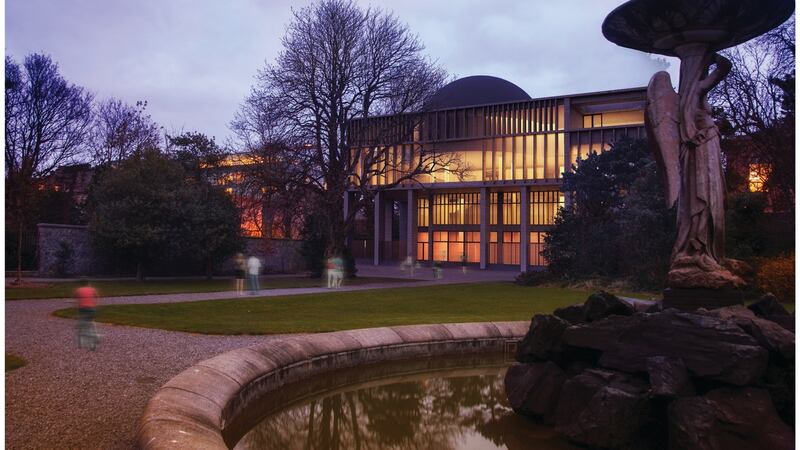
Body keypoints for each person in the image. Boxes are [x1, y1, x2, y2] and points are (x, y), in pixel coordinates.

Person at [74, 278, 99, 350]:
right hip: (92, 309)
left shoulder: (79, 290)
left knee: (82, 323)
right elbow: (97, 297)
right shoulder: (92, 289)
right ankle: (95, 336)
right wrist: (94, 304)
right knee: (91, 322)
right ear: (88, 283)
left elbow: (75, 298)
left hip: (82, 309)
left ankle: (81, 342)